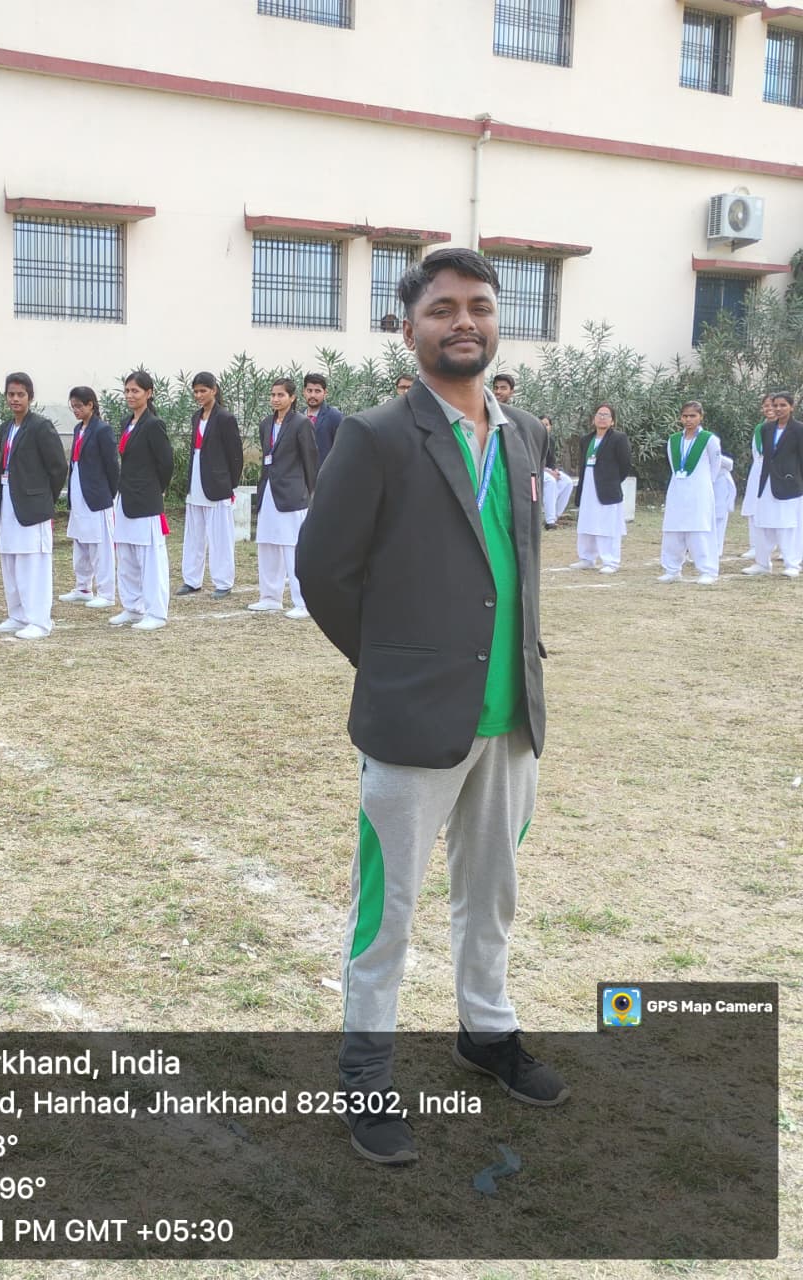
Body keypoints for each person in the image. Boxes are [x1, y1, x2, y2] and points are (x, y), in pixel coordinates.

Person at [296, 246, 566, 1167]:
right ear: (408, 328)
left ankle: (486, 1031)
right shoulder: (375, 435)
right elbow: (323, 571)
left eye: (479, 306)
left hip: (510, 717)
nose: (463, 322)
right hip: (414, 722)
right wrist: (392, 669)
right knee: (390, 908)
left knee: (492, 895)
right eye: (443, 308)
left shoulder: (524, 434)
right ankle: (366, 1067)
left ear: (497, 321)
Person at [0, 372, 67, 638]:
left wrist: (44, 497)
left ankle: (39, 620)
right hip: (8, 500)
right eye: (11, 394)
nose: (15, 399)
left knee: (32, 563)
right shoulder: (6, 428)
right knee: (10, 559)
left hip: (32, 504)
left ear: (30, 397)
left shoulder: (40, 426)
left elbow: (58, 467)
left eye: (20, 394)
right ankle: (18, 614)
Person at [110, 370, 174, 631]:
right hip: (125, 496)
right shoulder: (127, 422)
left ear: (149, 393)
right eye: (127, 391)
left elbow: (165, 463)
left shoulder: (153, 424)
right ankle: (133, 607)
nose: (130, 395)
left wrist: (157, 489)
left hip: (146, 498)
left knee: (150, 558)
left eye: (135, 391)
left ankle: (156, 612)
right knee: (126, 556)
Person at [249, 377, 317, 619]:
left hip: (292, 494)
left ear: (292, 397)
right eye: (273, 395)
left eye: (281, 395)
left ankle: (303, 602)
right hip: (269, 490)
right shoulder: (266, 423)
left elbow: (310, 460)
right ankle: (270, 597)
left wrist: (311, 493)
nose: (276, 399)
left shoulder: (301, 424)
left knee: (292, 547)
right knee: (267, 544)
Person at [176, 371, 242, 600]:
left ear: (213, 390)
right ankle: (191, 580)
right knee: (193, 535)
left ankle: (223, 581)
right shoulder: (196, 417)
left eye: (203, 391)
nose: (198, 395)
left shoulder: (225, 418)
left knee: (220, 536)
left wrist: (230, 484)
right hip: (196, 481)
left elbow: (235, 455)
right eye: (195, 391)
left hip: (217, 484)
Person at [61, 387, 118, 610]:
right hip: (78, 491)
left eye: (79, 406)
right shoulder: (78, 429)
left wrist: (109, 493)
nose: (75, 410)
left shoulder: (102, 430)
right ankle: (83, 587)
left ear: (90, 405)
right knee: (80, 541)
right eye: (73, 406)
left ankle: (106, 592)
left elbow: (112, 465)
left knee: (99, 545)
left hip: (96, 495)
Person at [658, 401, 722, 584]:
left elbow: (715, 466)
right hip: (677, 490)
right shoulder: (674, 440)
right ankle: (672, 569)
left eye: (692, 416)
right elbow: (673, 465)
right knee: (673, 530)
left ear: (701, 417)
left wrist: (704, 484)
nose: (688, 419)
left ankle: (707, 570)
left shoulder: (709, 439)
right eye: (685, 416)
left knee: (700, 530)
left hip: (699, 491)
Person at [743, 391, 803, 577]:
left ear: (791, 407)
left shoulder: (799, 429)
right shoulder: (766, 429)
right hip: (767, 483)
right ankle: (762, 563)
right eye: (775, 405)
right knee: (763, 523)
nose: (778, 409)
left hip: (789, 484)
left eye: (783, 405)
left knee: (787, 525)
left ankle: (792, 564)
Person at [571, 403, 631, 574]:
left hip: (607, 488)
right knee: (586, 522)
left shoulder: (618, 438)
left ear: (612, 421)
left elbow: (625, 464)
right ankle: (587, 558)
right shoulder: (586, 440)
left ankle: (610, 561)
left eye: (606, 415)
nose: (602, 418)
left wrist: (613, 481)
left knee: (607, 525)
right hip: (588, 486)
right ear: (593, 419)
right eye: (599, 414)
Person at [738, 395, 774, 561]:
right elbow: (755, 452)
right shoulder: (759, 428)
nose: (769, 408)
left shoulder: (789, 428)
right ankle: (755, 546)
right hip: (758, 471)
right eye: (766, 405)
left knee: (779, 509)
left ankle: (785, 547)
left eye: (773, 405)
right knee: (753, 508)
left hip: (779, 473)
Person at [539, 413, 574, 529]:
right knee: (551, 481)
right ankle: (550, 522)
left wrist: (555, 471)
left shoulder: (551, 440)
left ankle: (555, 516)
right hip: (536, 470)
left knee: (567, 482)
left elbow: (552, 460)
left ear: (550, 427)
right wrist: (549, 472)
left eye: (547, 425)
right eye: (542, 424)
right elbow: (534, 461)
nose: (544, 427)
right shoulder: (533, 439)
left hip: (548, 470)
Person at [302, 373, 343, 467]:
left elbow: (342, 448)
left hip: (324, 472)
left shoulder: (334, 416)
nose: (312, 395)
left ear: (325, 393)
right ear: (304, 392)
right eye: (309, 391)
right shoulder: (298, 416)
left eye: (317, 391)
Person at [714, 449, 737, 562]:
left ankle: (716, 549)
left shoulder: (720, 459)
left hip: (720, 486)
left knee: (719, 517)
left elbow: (729, 464)